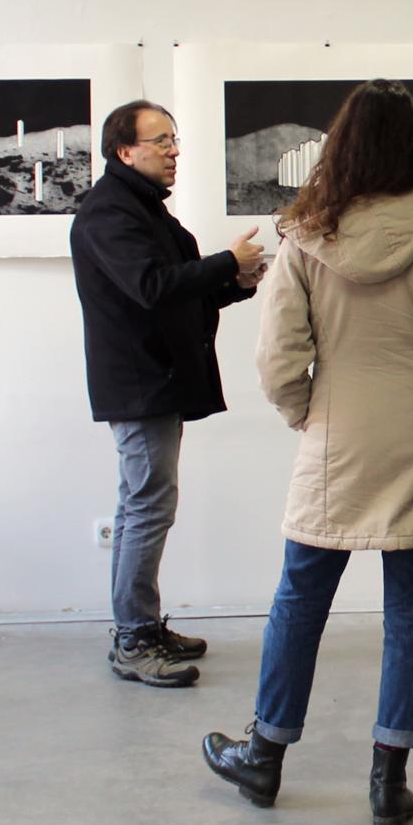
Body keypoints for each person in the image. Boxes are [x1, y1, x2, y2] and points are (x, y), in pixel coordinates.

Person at [199, 80, 413, 825]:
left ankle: (264, 755)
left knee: (299, 600)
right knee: (411, 611)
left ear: (340, 149)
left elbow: (278, 360)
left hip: (333, 446)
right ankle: (389, 781)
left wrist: (308, 415)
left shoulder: (305, 238)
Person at [71, 100, 263, 687]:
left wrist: (235, 280)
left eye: (174, 140)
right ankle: (134, 638)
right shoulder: (109, 213)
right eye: (161, 141)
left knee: (140, 505)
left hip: (155, 380)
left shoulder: (145, 209)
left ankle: (141, 627)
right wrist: (226, 261)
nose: (174, 150)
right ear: (125, 151)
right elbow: (152, 287)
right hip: (140, 384)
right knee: (149, 506)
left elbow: (181, 290)